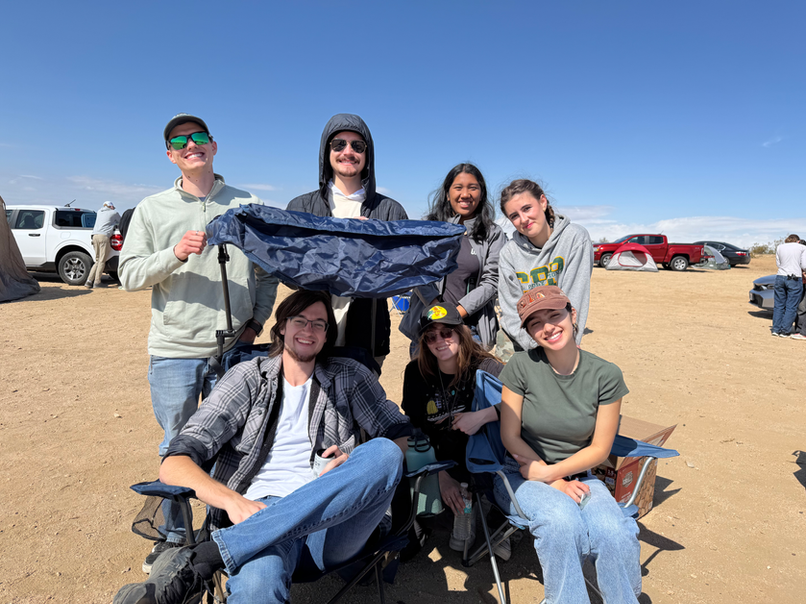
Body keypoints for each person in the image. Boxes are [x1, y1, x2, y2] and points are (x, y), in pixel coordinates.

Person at [114, 290, 412, 604]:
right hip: (256, 510)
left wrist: (350, 463)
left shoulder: (349, 376)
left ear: (327, 335)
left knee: (385, 453)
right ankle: (238, 544)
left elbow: (397, 434)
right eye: (300, 320)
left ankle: (209, 555)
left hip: (333, 524)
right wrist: (232, 501)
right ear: (282, 326)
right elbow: (175, 463)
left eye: (319, 324)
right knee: (258, 586)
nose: (309, 330)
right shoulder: (247, 378)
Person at [119, 113, 278, 570]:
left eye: (199, 137)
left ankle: (221, 529)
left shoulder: (247, 204)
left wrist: (255, 323)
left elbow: (267, 272)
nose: (191, 145)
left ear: (214, 145)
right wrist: (174, 254)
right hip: (175, 350)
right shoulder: (152, 209)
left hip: (235, 348)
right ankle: (174, 536)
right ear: (170, 155)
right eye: (180, 142)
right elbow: (128, 274)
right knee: (177, 444)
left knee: (237, 441)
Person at [495, 285, 640, 604]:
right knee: (561, 521)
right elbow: (510, 436)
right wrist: (554, 482)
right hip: (521, 473)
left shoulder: (605, 375)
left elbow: (600, 449)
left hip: (578, 475)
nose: (547, 327)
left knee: (613, 530)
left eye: (554, 315)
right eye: (535, 323)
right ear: (529, 333)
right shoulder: (520, 367)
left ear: (572, 315)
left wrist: (553, 474)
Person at [287, 113, 408, 369]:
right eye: (339, 144)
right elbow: (287, 274)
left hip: (369, 337)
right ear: (326, 151)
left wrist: (373, 246)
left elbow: (401, 276)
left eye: (358, 146)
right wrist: (331, 244)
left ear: (367, 154)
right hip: (309, 335)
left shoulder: (390, 211)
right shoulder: (300, 208)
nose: (348, 152)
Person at [401, 301, 507, 555]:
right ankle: (457, 508)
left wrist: (481, 416)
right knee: (436, 520)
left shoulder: (485, 366)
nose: (439, 341)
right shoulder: (415, 372)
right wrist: (438, 473)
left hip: (481, 458)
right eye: (431, 336)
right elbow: (413, 428)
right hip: (435, 458)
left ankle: (491, 512)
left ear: (461, 333)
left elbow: (523, 402)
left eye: (447, 332)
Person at [401, 163, 506, 353]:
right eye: (458, 187)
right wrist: (438, 311)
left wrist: (454, 315)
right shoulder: (428, 227)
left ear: (481, 193)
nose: (465, 194)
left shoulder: (493, 233)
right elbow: (416, 271)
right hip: (428, 326)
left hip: (470, 330)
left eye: (472, 188)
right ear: (447, 193)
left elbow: (492, 281)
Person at [497, 179, 593, 351]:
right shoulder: (508, 254)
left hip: (560, 335)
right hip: (524, 338)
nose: (523, 219)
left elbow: (575, 297)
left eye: (527, 208)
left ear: (542, 202)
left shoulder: (574, 238)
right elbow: (511, 311)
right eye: (514, 216)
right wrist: (537, 348)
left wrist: (564, 344)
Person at [772, 234, 806, 337]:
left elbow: (778, 264)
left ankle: (776, 329)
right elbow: (804, 265)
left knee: (779, 305)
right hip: (794, 277)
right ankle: (785, 331)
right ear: (798, 241)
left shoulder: (780, 247)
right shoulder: (802, 248)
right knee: (791, 306)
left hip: (780, 276)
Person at [85, 201, 120, 288]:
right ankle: (97, 282)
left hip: (94, 236)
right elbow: (121, 221)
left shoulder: (99, 212)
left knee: (97, 260)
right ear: (111, 207)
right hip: (103, 236)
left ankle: (89, 281)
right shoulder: (114, 213)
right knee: (102, 260)